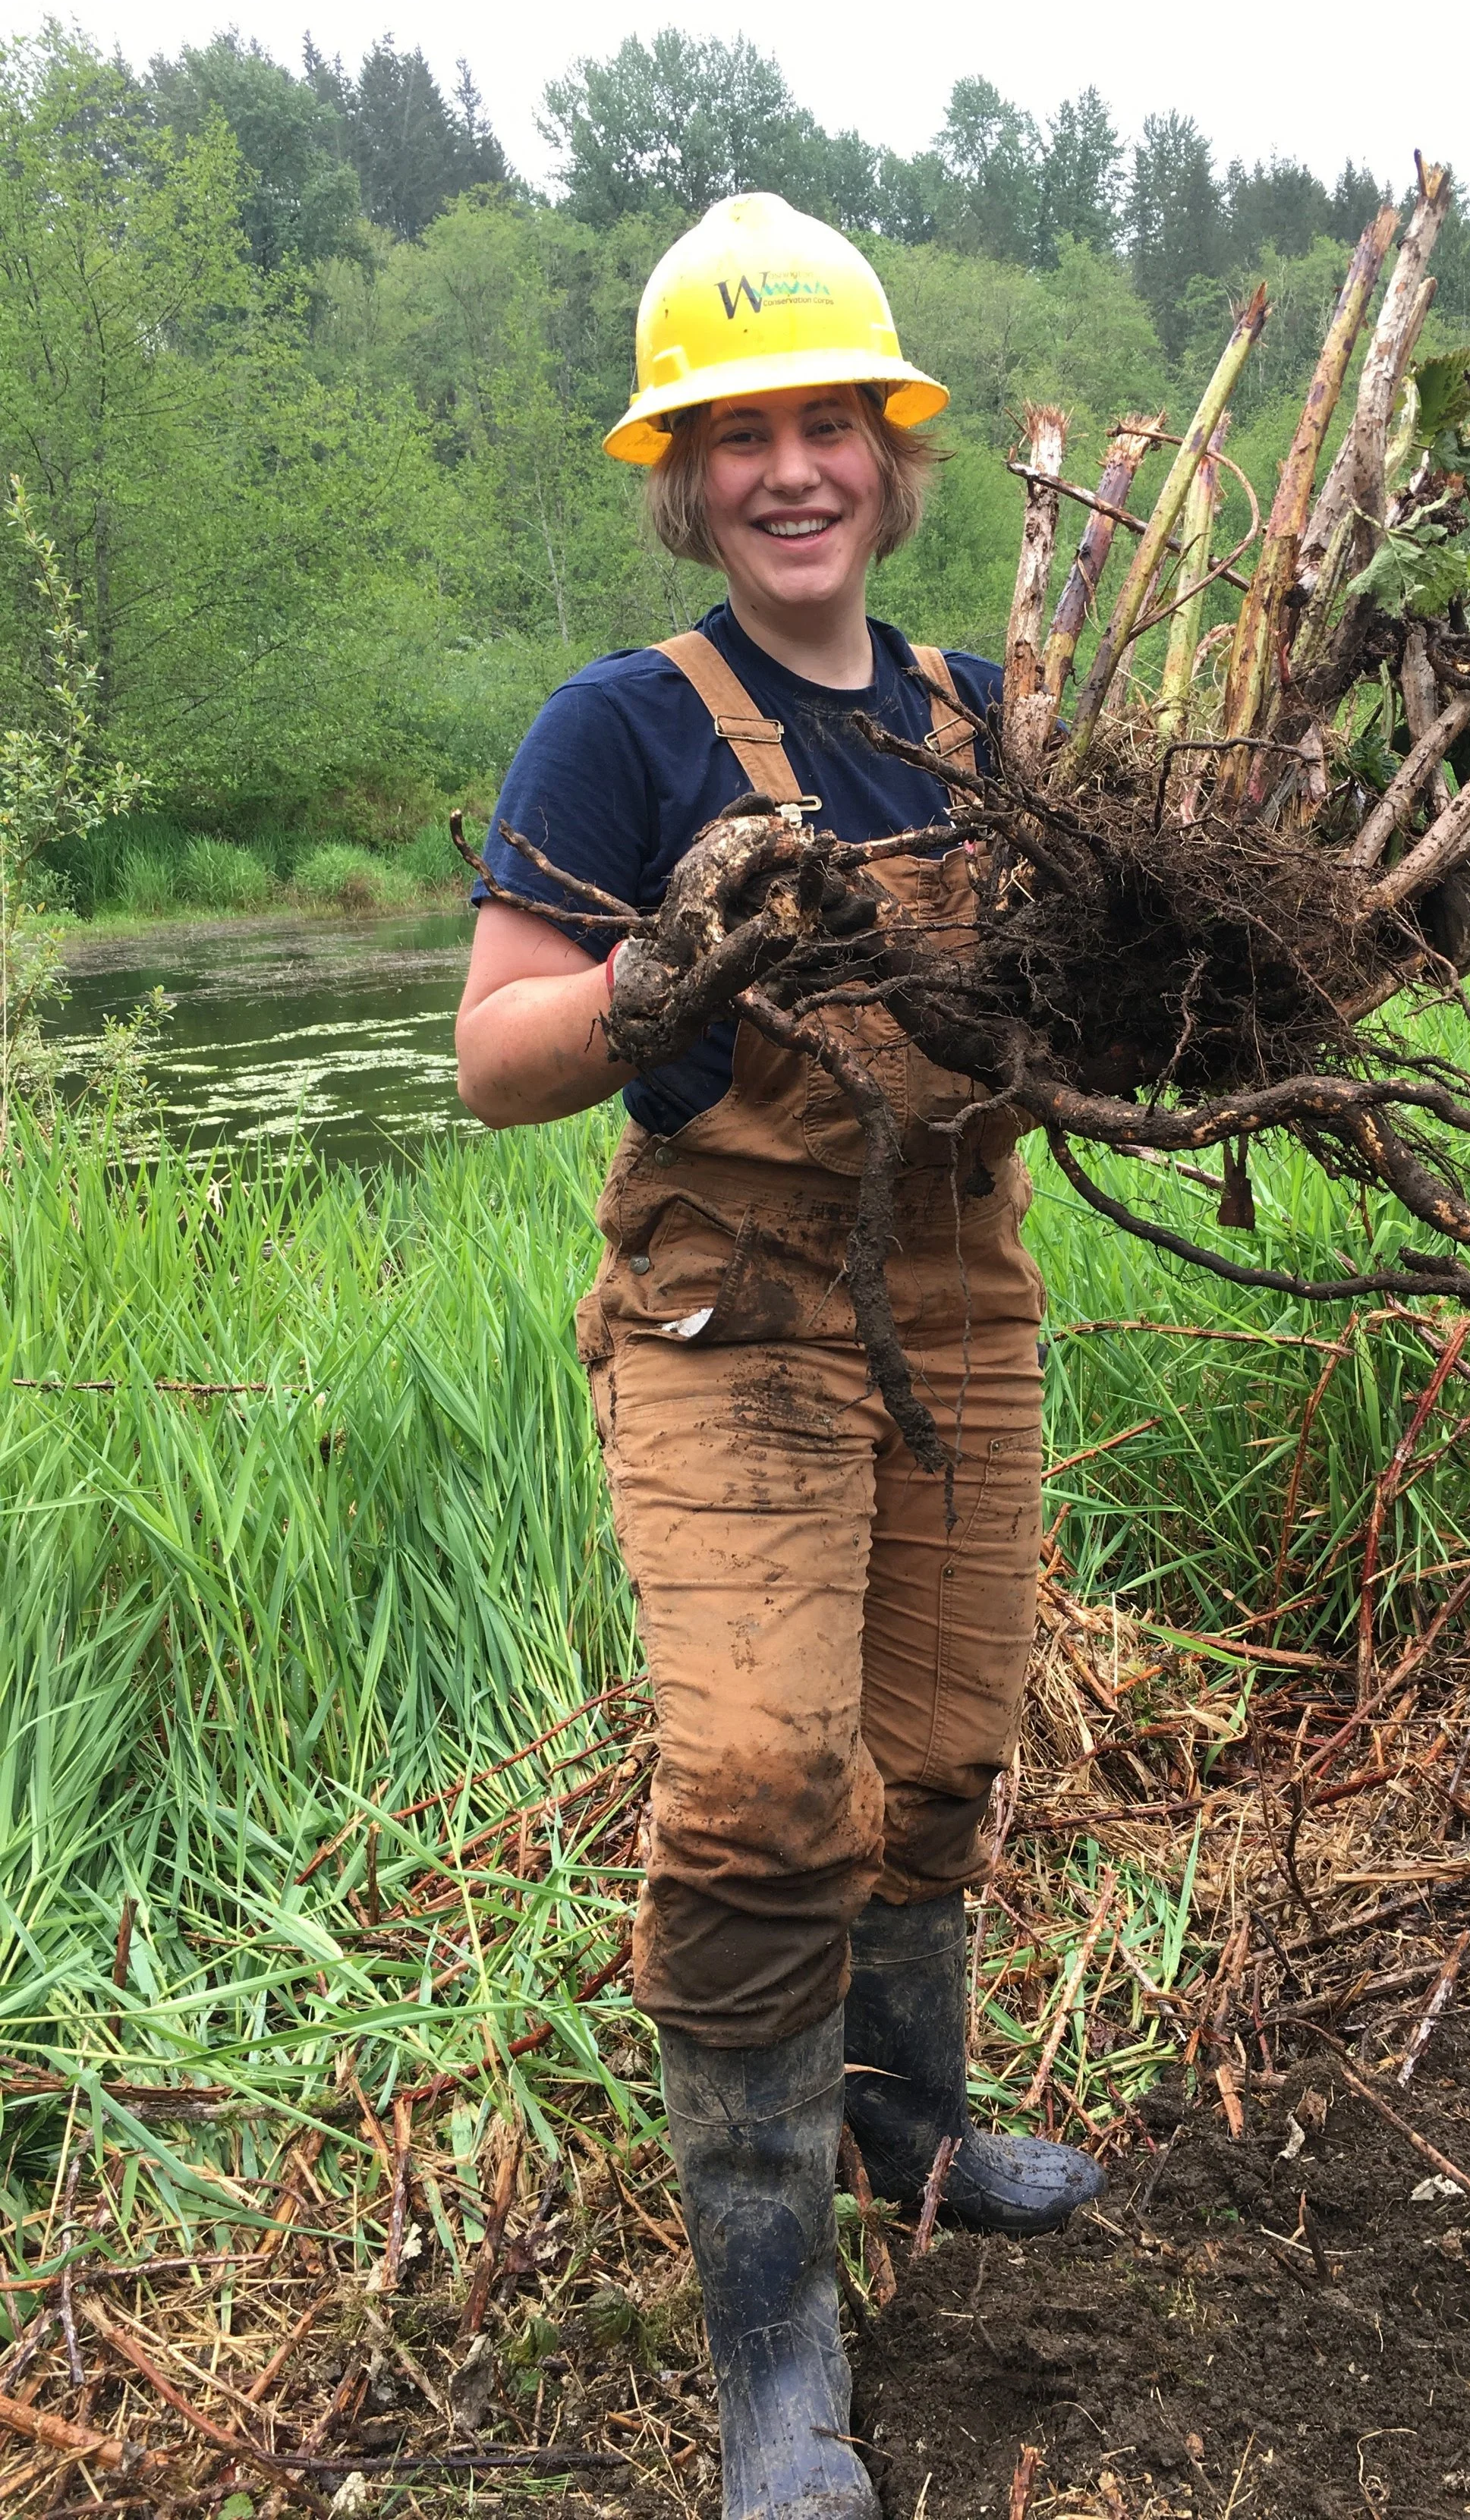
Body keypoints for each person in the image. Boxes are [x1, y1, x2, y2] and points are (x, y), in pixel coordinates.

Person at [454, 192, 1100, 2520]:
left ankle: (910, 2129)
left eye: (831, 418)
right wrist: (654, 983)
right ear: (686, 475)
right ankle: (773, 2355)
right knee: (757, 1792)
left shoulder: (985, 719)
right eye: (744, 435)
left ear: (892, 454)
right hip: (730, 1311)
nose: (795, 465)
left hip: (957, 1285)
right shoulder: (621, 727)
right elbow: (492, 1055)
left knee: (934, 1753)